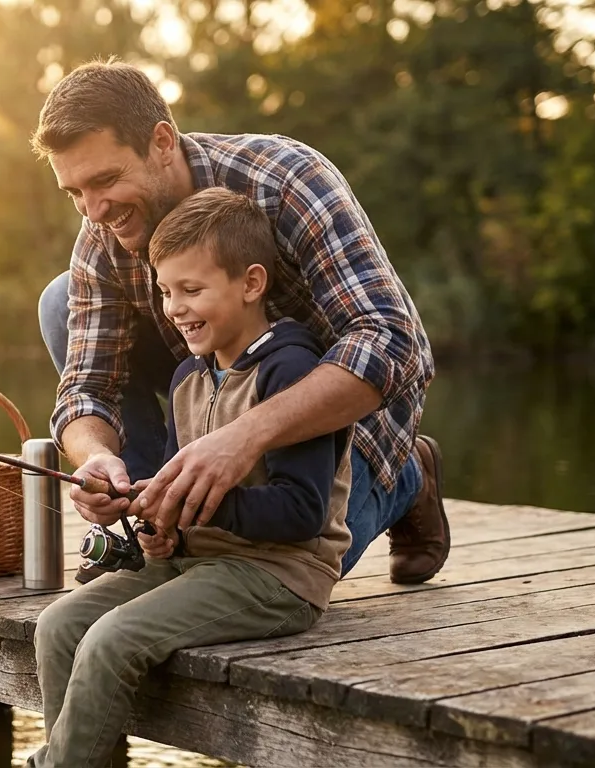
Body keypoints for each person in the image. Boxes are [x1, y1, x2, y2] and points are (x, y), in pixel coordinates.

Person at [34, 59, 448, 583]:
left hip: (336, 423)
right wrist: (93, 457)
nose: (93, 211)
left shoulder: (287, 179)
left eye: (105, 180)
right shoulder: (103, 235)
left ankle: (410, 475)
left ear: (162, 142)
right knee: (59, 301)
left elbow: (391, 343)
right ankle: (150, 518)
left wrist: (242, 438)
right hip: (212, 397)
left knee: (295, 567)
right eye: (74, 192)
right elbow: (86, 391)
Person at [29, 187, 352, 767]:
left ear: (251, 284)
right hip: (196, 561)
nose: (175, 308)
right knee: (57, 625)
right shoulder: (187, 377)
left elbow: (302, 514)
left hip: (278, 575)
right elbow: (180, 498)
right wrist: (157, 521)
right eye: (166, 292)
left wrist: (195, 506)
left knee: (111, 640)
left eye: (192, 290)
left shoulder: (292, 373)